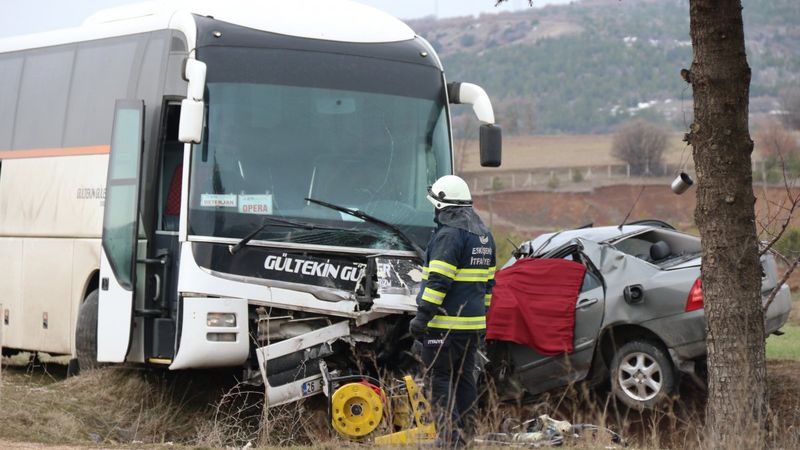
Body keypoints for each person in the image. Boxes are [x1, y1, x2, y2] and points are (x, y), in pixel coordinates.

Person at [408, 175, 496, 447]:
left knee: (441, 379)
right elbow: (488, 284)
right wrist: (482, 321)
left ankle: (449, 440)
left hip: (445, 324)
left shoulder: (448, 235)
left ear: (442, 205)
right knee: (464, 379)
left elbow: (439, 281)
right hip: (472, 326)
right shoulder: (483, 235)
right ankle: (467, 436)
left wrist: (422, 318)